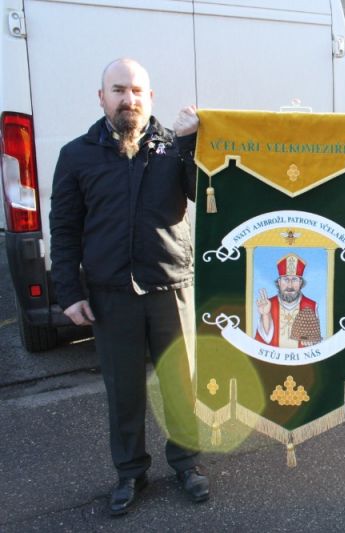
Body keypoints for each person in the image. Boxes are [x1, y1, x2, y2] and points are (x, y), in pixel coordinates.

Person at [49, 58, 210, 516]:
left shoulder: (173, 148)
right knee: (124, 390)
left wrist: (190, 143)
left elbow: (203, 193)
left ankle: (187, 463)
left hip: (170, 285)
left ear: (150, 98)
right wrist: (69, 292)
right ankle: (130, 472)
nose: (129, 99)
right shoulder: (76, 155)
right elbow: (64, 228)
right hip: (110, 293)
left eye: (137, 91)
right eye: (119, 90)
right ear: (102, 97)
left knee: (181, 384)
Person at [255, 253, 322, 348]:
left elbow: (317, 341)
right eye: (286, 279)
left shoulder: (312, 305)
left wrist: (311, 339)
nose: (290, 285)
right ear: (279, 282)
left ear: (300, 282)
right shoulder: (267, 304)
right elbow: (264, 340)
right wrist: (265, 314)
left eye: (294, 279)